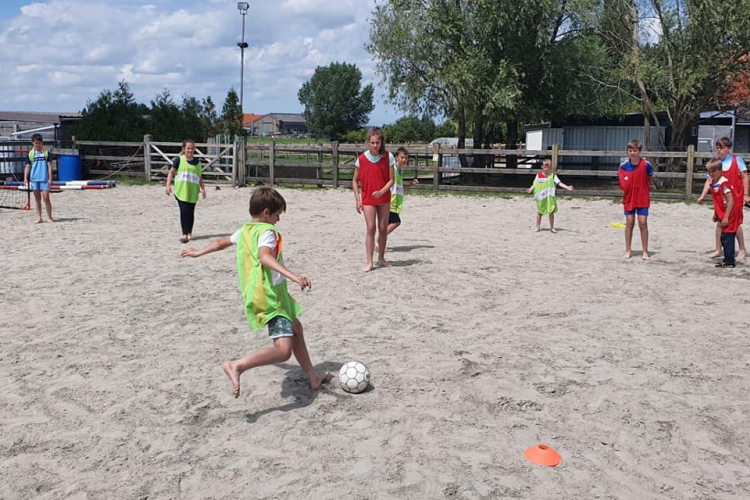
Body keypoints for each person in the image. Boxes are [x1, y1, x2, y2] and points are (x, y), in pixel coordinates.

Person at [181, 187, 327, 398]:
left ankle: (313, 376)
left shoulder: (246, 231)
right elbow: (265, 257)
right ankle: (237, 365)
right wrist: (293, 276)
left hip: (266, 293)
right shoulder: (267, 232)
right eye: (277, 215)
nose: (278, 220)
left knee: (296, 328)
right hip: (270, 296)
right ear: (266, 213)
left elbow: (220, 242)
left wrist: (198, 253)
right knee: (283, 351)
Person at [696, 137, 748, 261]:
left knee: (735, 224)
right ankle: (718, 249)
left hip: (735, 197)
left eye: (721, 148)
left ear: (728, 149)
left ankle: (741, 248)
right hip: (720, 199)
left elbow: (745, 177)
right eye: (717, 148)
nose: (718, 150)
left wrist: (746, 194)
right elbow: (709, 180)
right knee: (720, 223)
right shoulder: (716, 163)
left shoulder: (737, 160)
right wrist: (703, 195)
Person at [352, 127, 395, 272]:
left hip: (384, 198)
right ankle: (369, 262)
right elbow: (355, 180)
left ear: (382, 142)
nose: (375, 145)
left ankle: (381, 257)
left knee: (383, 228)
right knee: (371, 228)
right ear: (368, 142)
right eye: (372, 142)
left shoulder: (388, 157)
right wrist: (358, 199)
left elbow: (391, 180)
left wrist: (382, 191)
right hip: (368, 198)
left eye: (377, 142)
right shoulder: (361, 159)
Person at [618, 139, 655, 260]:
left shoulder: (646, 164)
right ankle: (628, 249)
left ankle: (645, 251)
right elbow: (622, 183)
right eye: (630, 150)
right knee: (629, 223)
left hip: (642, 198)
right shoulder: (623, 166)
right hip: (629, 199)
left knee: (643, 223)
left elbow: (649, 178)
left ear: (639, 151)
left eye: (635, 150)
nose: (632, 153)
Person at [166, 139, 206, 243]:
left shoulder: (198, 163)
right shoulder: (179, 160)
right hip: (181, 191)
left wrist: (203, 189)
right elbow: (171, 172)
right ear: (183, 149)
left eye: (192, 148)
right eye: (188, 148)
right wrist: (168, 185)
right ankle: (184, 233)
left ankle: (189, 233)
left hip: (192, 192)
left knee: (190, 212)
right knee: (184, 212)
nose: (190, 150)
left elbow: (200, 177)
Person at [381, 147, 418, 247]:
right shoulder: (393, 169)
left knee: (387, 224)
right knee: (396, 222)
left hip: (396, 201)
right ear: (396, 157)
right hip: (390, 200)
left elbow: (399, 186)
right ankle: (379, 240)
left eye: (406, 158)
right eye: (402, 157)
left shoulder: (400, 170)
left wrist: (410, 185)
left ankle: (380, 242)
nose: (404, 160)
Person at [705, 158, 738, 268]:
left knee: (728, 237)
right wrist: (716, 213)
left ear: (720, 170)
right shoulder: (714, 183)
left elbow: (731, 201)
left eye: (713, 171)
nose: (711, 174)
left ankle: (730, 262)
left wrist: (726, 217)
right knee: (723, 237)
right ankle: (727, 259)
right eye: (709, 172)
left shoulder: (724, 184)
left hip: (729, 214)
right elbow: (717, 200)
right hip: (721, 213)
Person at [526, 158, 573, 233]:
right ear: (542, 167)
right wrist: (530, 189)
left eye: (548, 167)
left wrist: (567, 187)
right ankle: (537, 226)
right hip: (541, 196)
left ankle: (552, 227)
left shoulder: (553, 175)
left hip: (550, 197)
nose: (546, 169)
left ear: (550, 168)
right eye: (545, 167)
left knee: (551, 211)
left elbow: (559, 183)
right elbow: (535, 184)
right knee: (539, 211)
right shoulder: (539, 175)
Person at [23, 133, 54, 223]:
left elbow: (49, 166)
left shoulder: (46, 153)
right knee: (37, 199)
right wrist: (25, 178)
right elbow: (27, 166)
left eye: (39, 143)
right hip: (34, 178)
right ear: (33, 143)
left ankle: (49, 217)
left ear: (42, 143)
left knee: (46, 197)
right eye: (36, 143)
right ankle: (39, 217)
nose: (38, 144)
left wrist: (50, 178)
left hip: (44, 178)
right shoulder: (31, 153)